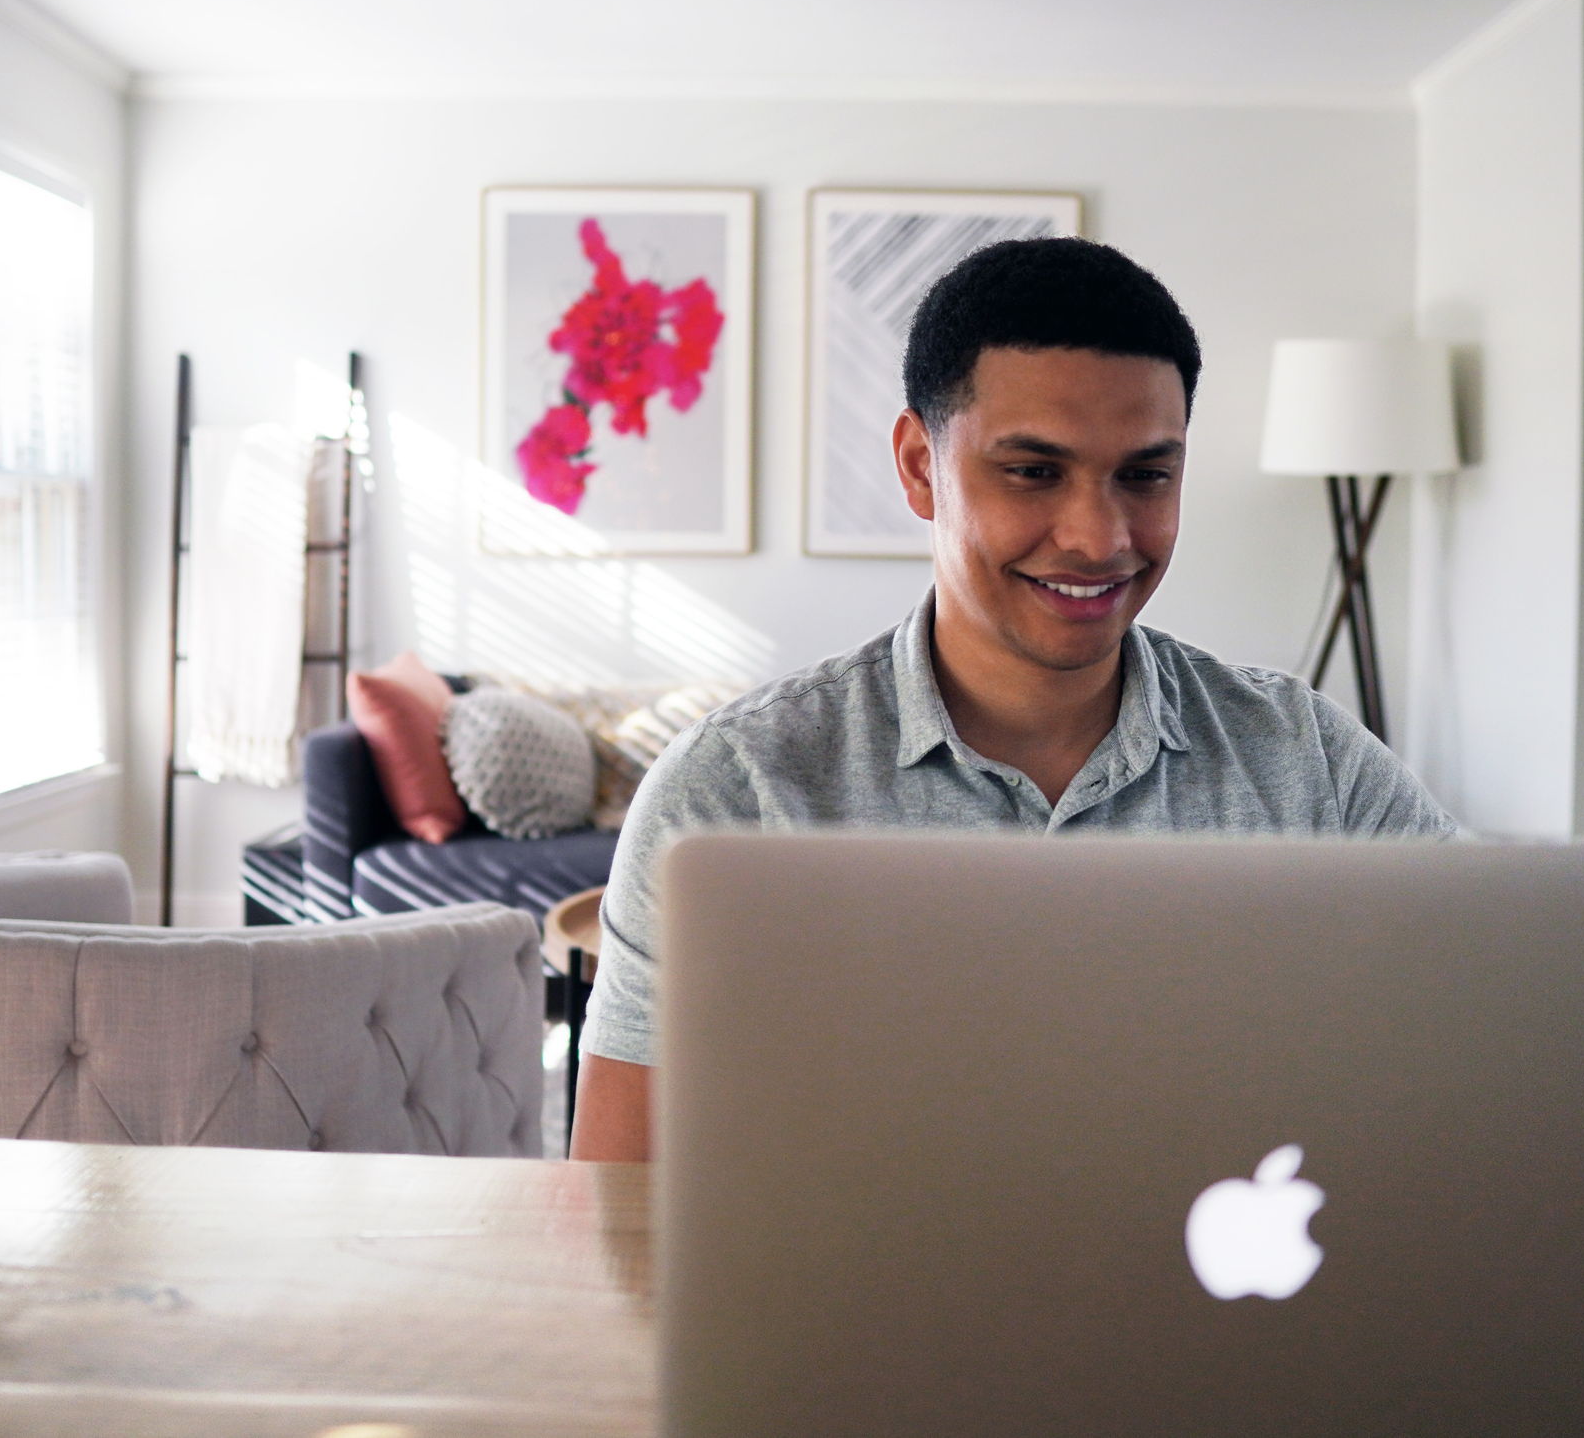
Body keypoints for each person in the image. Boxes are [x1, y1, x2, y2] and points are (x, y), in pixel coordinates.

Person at [570, 237, 1454, 1160]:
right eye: (1033, 472)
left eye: (1145, 475)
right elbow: (611, 1210)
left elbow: (1490, 1037)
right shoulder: (735, 789)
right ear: (920, 465)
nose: (1099, 536)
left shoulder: (1306, 761)